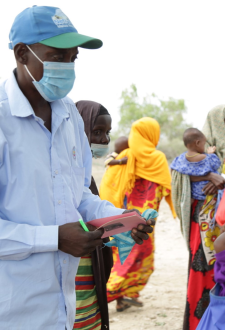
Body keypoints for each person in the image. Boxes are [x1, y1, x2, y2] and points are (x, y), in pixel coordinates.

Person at [0, 6, 154, 330]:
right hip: (13, 310)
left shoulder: (68, 114)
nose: (67, 67)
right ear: (21, 54)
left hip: (65, 309)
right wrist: (53, 239)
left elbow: (77, 194)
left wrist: (118, 219)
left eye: (73, 58)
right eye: (57, 56)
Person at [171, 105, 225, 330]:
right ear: (219, 123)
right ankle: (198, 323)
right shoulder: (199, 151)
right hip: (202, 224)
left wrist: (223, 180)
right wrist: (207, 176)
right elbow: (179, 178)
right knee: (202, 272)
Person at [100, 117, 175, 312]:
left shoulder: (126, 155)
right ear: (152, 134)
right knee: (135, 258)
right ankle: (103, 296)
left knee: (123, 257)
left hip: (121, 217)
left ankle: (125, 298)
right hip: (143, 223)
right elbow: (161, 190)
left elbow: (111, 184)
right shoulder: (156, 158)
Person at [74, 100, 114, 330]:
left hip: (88, 263)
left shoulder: (85, 177)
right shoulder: (59, 173)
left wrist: (123, 219)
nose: (104, 140)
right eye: (97, 132)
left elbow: (92, 210)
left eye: (107, 133)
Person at [170, 128, 221, 201]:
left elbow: (172, 170)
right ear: (198, 143)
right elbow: (216, 164)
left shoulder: (179, 159)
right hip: (208, 195)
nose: (204, 147)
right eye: (204, 144)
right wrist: (211, 154)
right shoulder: (206, 158)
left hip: (193, 197)